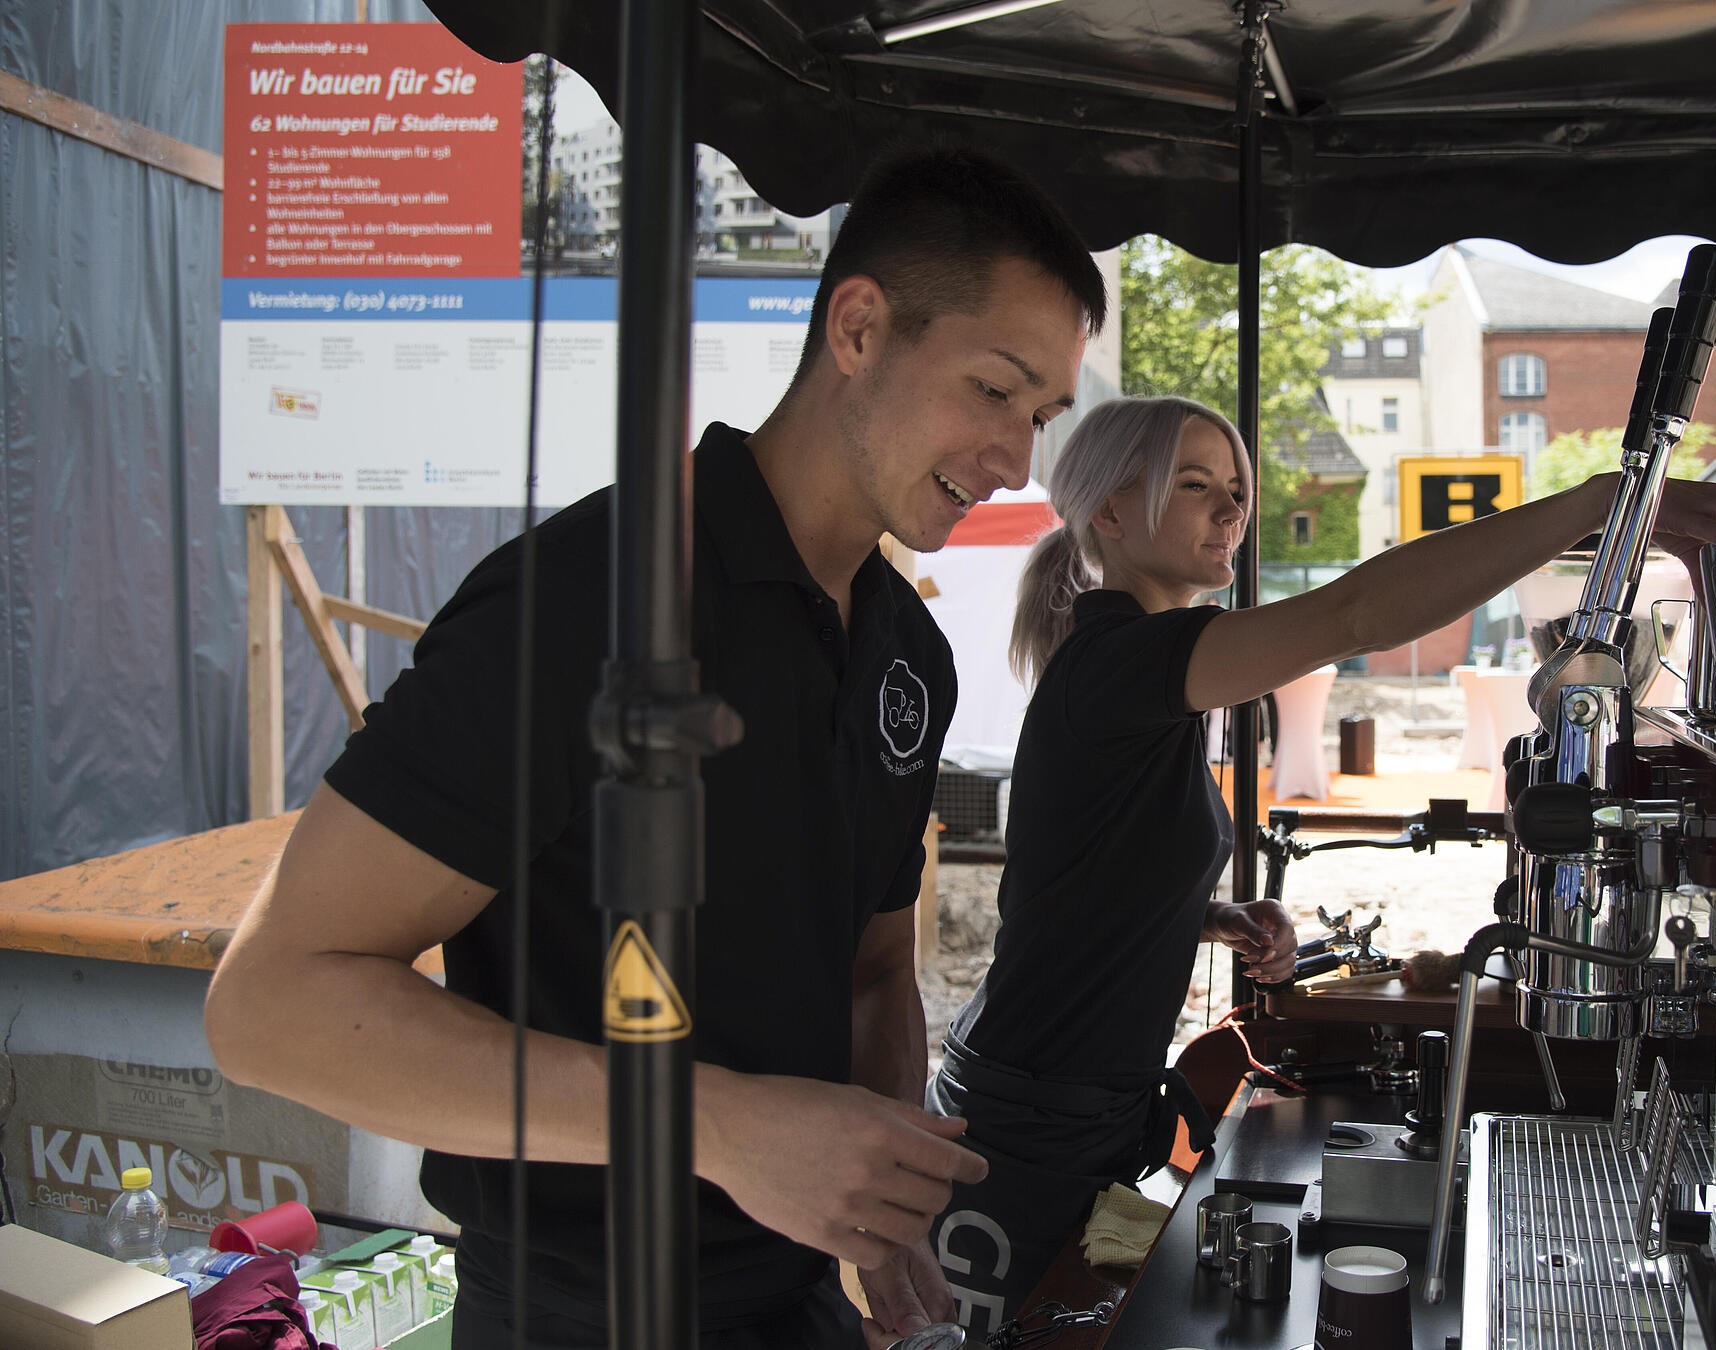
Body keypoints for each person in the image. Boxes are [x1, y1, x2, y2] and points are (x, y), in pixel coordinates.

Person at [203, 146, 1108, 1350]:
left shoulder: (908, 656)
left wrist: (886, 1209)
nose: (1018, 465)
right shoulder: (592, 602)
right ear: (857, 327)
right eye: (995, 392)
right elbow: (270, 1006)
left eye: (1044, 414)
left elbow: (876, 970)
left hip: (799, 1302)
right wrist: (713, 1125)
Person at [924, 396, 1716, 1327]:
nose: (1232, 510)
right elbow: (1357, 612)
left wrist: (1203, 913)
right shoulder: (1123, 660)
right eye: (1195, 486)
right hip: (1022, 1123)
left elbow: (1082, 868)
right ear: (1107, 512)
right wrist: (1603, 500)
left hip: (1088, 1106)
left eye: (1237, 489)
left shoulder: (1143, 671)